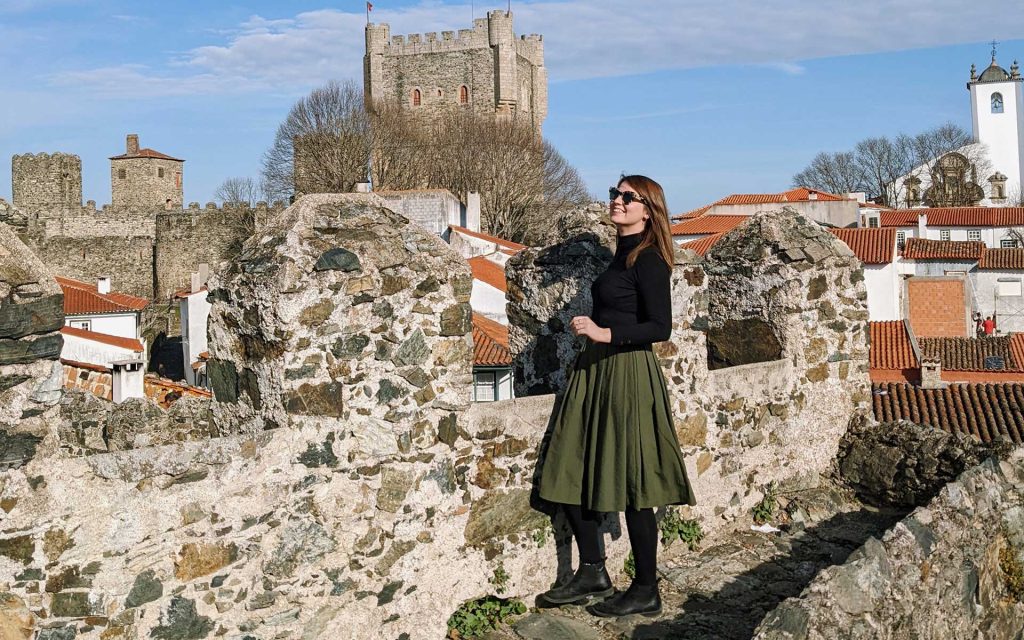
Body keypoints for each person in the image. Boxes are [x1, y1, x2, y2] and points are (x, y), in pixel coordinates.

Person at [536, 175, 696, 618]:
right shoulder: (620, 253)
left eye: (628, 197)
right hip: (595, 373)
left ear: (649, 210)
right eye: (615, 193)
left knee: (634, 482)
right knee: (569, 465)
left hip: (627, 374)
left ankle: (646, 588)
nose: (617, 201)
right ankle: (592, 571)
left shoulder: (648, 259)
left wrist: (604, 331)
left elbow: (659, 327)